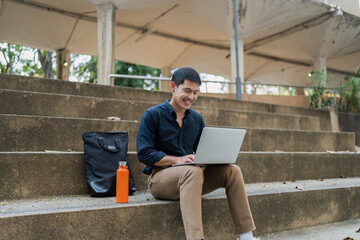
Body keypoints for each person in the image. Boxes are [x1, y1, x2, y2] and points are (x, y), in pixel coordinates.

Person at [136, 67, 258, 240]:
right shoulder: (152, 115)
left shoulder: (196, 119)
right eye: (187, 91)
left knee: (233, 170)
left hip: (192, 178)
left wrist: (213, 158)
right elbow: (144, 153)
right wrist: (178, 160)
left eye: (195, 92)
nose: (191, 97)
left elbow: (203, 151)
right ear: (173, 87)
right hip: (159, 180)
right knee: (191, 171)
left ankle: (246, 236)